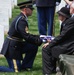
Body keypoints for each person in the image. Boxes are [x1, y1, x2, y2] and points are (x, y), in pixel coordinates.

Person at [0, 1, 42, 72]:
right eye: (30, 9)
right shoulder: (21, 20)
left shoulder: (22, 18)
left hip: (17, 45)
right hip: (12, 48)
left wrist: (37, 37)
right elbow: (26, 36)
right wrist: (37, 40)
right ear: (25, 10)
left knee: (33, 46)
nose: (32, 10)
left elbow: (26, 34)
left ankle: (26, 66)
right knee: (15, 70)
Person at [42, 6, 74, 75]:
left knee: (46, 49)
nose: (58, 16)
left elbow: (63, 36)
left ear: (64, 16)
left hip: (69, 46)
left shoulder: (70, 22)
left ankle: (47, 72)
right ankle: (52, 69)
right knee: (50, 47)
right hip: (67, 44)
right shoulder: (66, 22)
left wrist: (50, 43)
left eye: (60, 15)